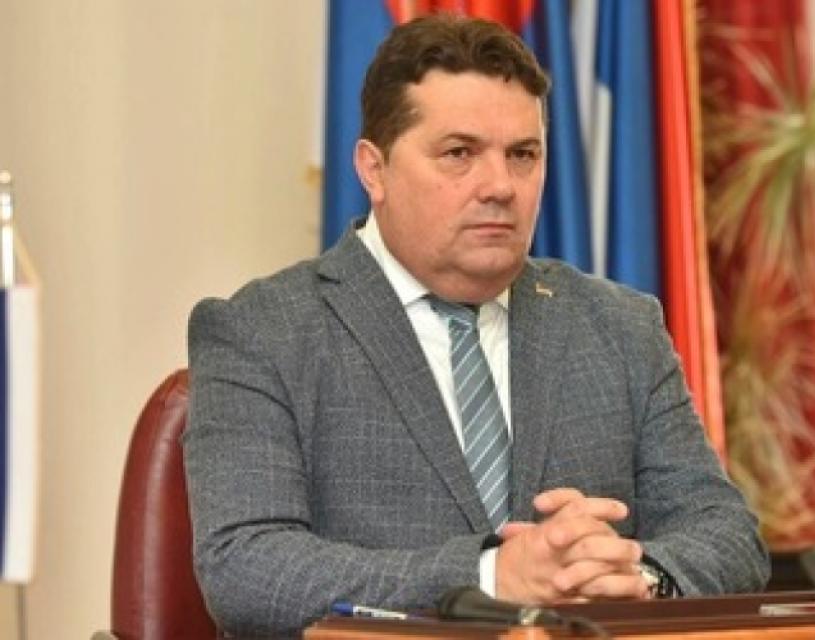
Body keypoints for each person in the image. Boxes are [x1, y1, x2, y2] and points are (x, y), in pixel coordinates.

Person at [184, 13, 769, 637]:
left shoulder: (620, 327)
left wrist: (633, 574)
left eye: (523, 155)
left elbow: (729, 535)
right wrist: (490, 577)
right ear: (373, 169)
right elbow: (245, 567)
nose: (500, 186)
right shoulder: (262, 331)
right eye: (459, 154)